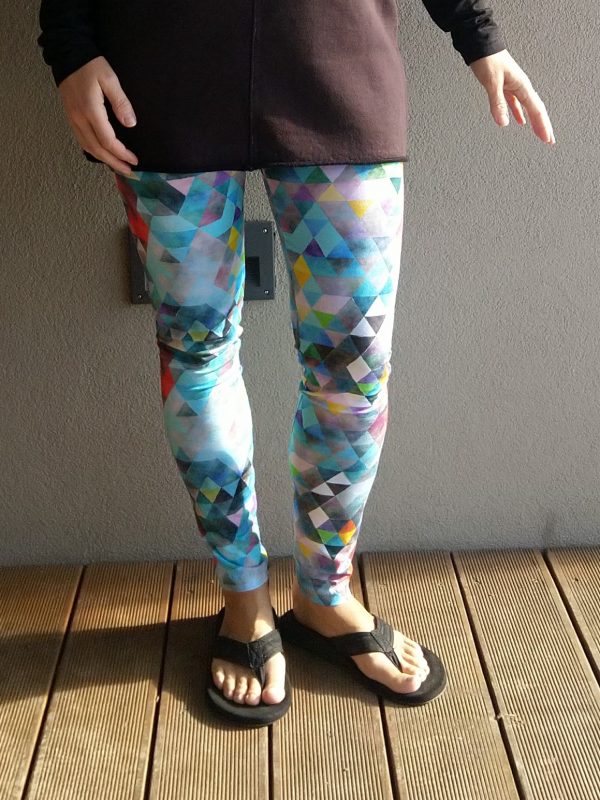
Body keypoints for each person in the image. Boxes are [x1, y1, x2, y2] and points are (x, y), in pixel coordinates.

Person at [37, 0, 555, 727]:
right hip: (160, 72)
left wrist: (477, 33)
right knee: (196, 355)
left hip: (339, 65)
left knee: (353, 371)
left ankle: (326, 594)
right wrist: (68, 45)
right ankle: (242, 596)